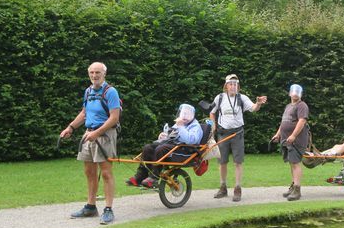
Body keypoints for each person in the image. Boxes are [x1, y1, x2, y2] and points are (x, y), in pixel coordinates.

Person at [60, 62, 121, 225]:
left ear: (104, 74)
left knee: (106, 173)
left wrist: (97, 133)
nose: (94, 76)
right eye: (91, 73)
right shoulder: (88, 91)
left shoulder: (111, 92)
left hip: (104, 136)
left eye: (97, 73)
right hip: (89, 134)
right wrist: (70, 127)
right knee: (89, 172)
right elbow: (85, 113)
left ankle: (108, 209)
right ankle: (91, 207)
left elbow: (114, 118)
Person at [210, 74, 267, 202]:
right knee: (222, 162)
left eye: (235, 84)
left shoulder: (242, 98)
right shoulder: (219, 98)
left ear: (238, 87)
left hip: (237, 134)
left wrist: (258, 103)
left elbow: (253, 108)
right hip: (222, 133)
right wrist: (213, 125)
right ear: (226, 86)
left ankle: (237, 189)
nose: (233, 86)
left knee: (238, 162)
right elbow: (212, 112)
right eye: (231, 84)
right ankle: (223, 187)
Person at [126, 103, 203, 188]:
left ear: (191, 115)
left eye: (186, 114)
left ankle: (153, 178)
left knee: (161, 148)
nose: (184, 116)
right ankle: (140, 177)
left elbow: (190, 140)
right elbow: (170, 135)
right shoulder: (179, 124)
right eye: (183, 113)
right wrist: (163, 136)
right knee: (148, 148)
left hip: (186, 150)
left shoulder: (196, 127)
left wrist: (180, 127)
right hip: (173, 146)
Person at [271, 84, 309, 201]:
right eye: (293, 91)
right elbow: (284, 122)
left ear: (301, 94)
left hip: (296, 140)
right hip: (286, 140)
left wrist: (293, 135)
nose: (295, 94)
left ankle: (297, 190)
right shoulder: (288, 106)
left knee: (296, 163)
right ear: (289, 93)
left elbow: (302, 121)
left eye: (297, 92)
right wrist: (278, 134)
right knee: (291, 163)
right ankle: (293, 186)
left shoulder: (302, 105)